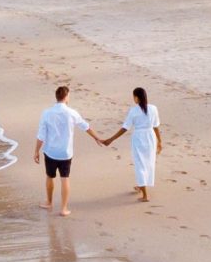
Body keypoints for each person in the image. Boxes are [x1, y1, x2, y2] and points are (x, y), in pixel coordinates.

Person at [32, 84, 92, 215]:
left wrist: (36, 151)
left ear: (56, 97)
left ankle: (49, 202)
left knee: (49, 176)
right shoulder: (72, 113)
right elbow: (85, 126)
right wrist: (98, 138)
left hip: (50, 151)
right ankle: (64, 208)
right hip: (65, 153)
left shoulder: (46, 113)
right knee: (65, 178)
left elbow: (41, 135)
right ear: (66, 97)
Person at [95, 88, 161, 202]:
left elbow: (125, 128)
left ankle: (145, 195)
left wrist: (111, 139)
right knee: (148, 162)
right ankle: (141, 185)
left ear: (137, 97)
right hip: (150, 137)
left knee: (140, 164)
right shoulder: (153, 108)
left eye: (134, 97)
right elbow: (156, 126)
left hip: (139, 137)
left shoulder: (134, 111)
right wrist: (160, 140)